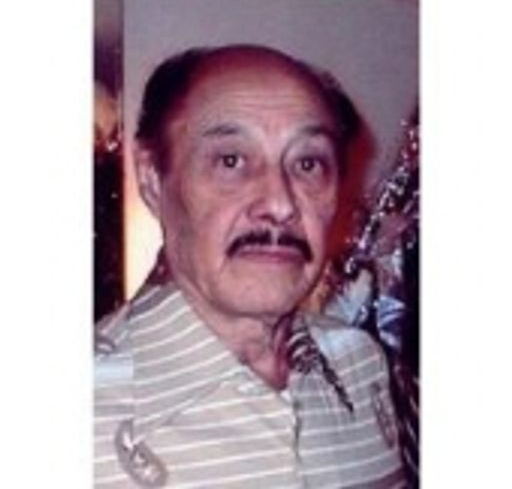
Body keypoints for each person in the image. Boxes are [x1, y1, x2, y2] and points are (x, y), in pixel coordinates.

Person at [94, 45, 405, 488]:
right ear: (152, 180)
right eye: (231, 161)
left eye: (308, 163)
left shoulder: (360, 365)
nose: (280, 204)